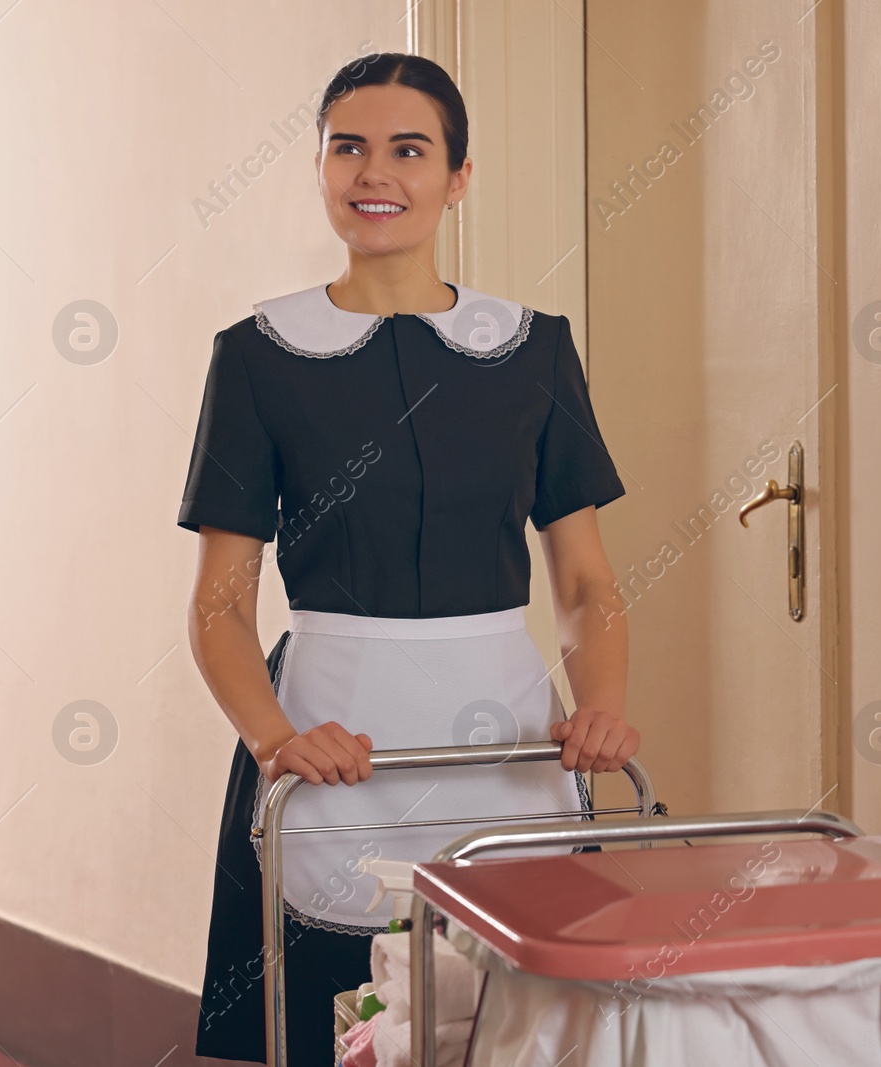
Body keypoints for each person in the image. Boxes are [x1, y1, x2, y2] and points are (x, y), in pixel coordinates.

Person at [177, 51, 640, 1064]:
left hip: (507, 744)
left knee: (524, 1026)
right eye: (348, 147)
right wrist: (273, 739)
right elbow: (220, 602)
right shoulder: (257, 356)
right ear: (320, 165)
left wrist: (598, 700)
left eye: (408, 149)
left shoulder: (532, 350)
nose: (373, 173)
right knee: (328, 1030)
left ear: (457, 176)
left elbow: (586, 579)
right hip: (329, 738)